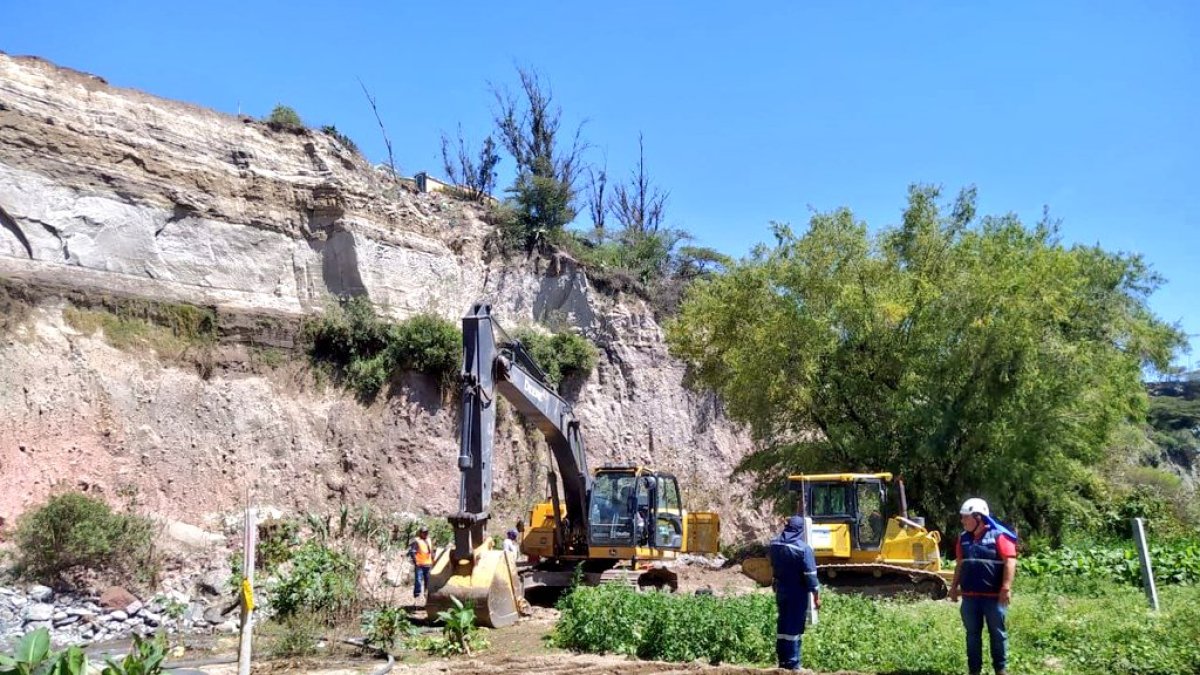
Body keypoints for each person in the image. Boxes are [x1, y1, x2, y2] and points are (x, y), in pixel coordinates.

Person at [949, 498, 1018, 675]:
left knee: (997, 634)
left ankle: (1000, 670)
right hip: (970, 599)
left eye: (966, 517)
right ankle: (974, 670)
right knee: (972, 635)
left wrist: (1006, 588)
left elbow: (1010, 561)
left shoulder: (998, 536)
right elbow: (960, 564)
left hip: (994, 599)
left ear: (978, 517)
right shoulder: (963, 538)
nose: (962, 521)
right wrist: (953, 587)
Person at [768, 516, 821, 671]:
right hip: (797, 592)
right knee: (794, 626)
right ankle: (793, 663)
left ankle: (782, 661)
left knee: (783, 623)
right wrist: (816, 596)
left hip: (781, 590)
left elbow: (772, 565)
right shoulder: (803, 549)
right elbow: (810, 576)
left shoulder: (774, 544)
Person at [408, 525, 434, 600]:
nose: (425, 534)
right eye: (424, 532)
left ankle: (427, 594)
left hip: (428, 564)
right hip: (420, 564)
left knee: (428, 581)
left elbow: (431, 551)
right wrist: (415, 562)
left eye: (426, 532)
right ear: (420, 533)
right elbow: (412, 552)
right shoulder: (417, 541)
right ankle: (417, 595)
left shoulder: (429, 540)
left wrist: (433, 559)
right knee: (418, 580)